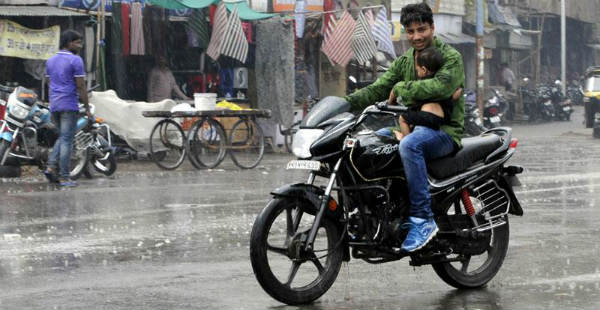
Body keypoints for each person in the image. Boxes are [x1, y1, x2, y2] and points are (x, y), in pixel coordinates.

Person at [345, 2, 465, 252]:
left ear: (432, 27)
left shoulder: (451, 58)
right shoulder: (404, 62)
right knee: (367, 143)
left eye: (421, 29)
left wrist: (401, 89)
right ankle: (377, 211)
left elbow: (441, 87)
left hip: (442, 132)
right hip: (413, 125)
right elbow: (380, 87)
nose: (416, 36)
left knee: (410, 145)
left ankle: (422, 220)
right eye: (410, 32)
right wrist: (343, 103)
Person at [43, 30, 90, 187]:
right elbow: (81, 85)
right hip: (69, 104)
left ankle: (50, 167)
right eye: (77, 42)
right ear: (68, 43)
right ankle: (64, 177)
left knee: (63, 138)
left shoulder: (50, 60)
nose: (80, 45)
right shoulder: (76, 60)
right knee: (67, 140)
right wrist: (87, 106)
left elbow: (49, 82)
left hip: (54, 105)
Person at [395, 46, 454, 140]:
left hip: (429, 117)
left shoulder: (422, 85)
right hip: (444, 118)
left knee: (403, 118)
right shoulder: (442, 83)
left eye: (417, 69)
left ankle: (404, 139)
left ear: (424, 70)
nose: (416, 71)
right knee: (414, 118)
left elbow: (414, 101)